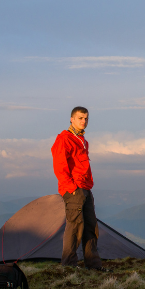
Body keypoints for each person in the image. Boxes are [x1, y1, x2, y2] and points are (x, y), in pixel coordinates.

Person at [51, 106, 108, 271]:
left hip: (85, 188)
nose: (84, 121)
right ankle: (69, 266)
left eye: (86, 119)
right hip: (74, 189)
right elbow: (59, 166)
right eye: (80, 118)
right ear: (72, 119)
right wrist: (71, 187)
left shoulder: (82, 140)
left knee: (91, 226)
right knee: (75, 227)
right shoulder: (64, 139)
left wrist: (86, 186)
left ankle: (93, 265)